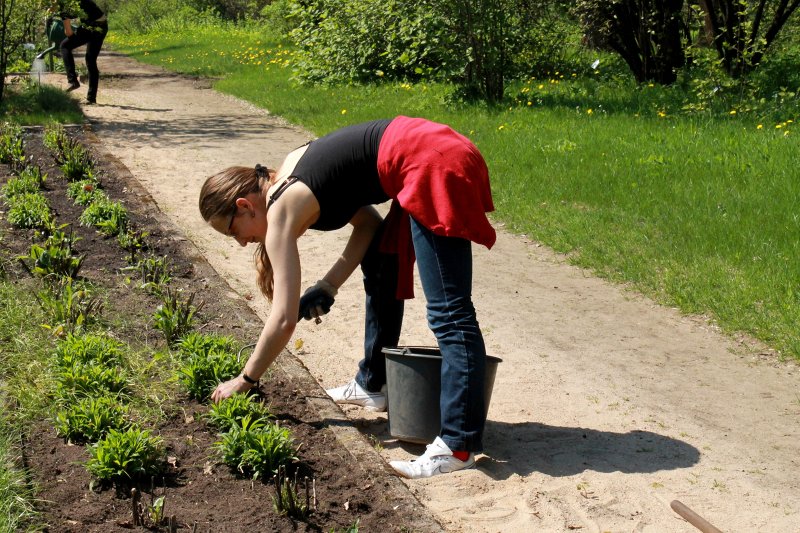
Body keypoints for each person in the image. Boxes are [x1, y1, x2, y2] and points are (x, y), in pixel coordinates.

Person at [200, 116, 496, 479]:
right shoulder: (288, 176)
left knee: (450, 313)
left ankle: (458, 444)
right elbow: (370, 226)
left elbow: (282, 320)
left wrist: (245, 380)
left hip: (431, 163)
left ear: (244, 205)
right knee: (382, 261)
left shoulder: (280, 210)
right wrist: (327, 286)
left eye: (233, 231)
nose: (242, 242)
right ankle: (374, 384)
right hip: (432, 150)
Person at [57, 0, 108, 105]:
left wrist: (65, 23)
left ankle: (72, 81)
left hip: (91, 26)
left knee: (65, 46)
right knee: (91, 60)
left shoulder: (64, 5)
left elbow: (69, 33)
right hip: (102, 25)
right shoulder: (72, 3)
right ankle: (91, 98)